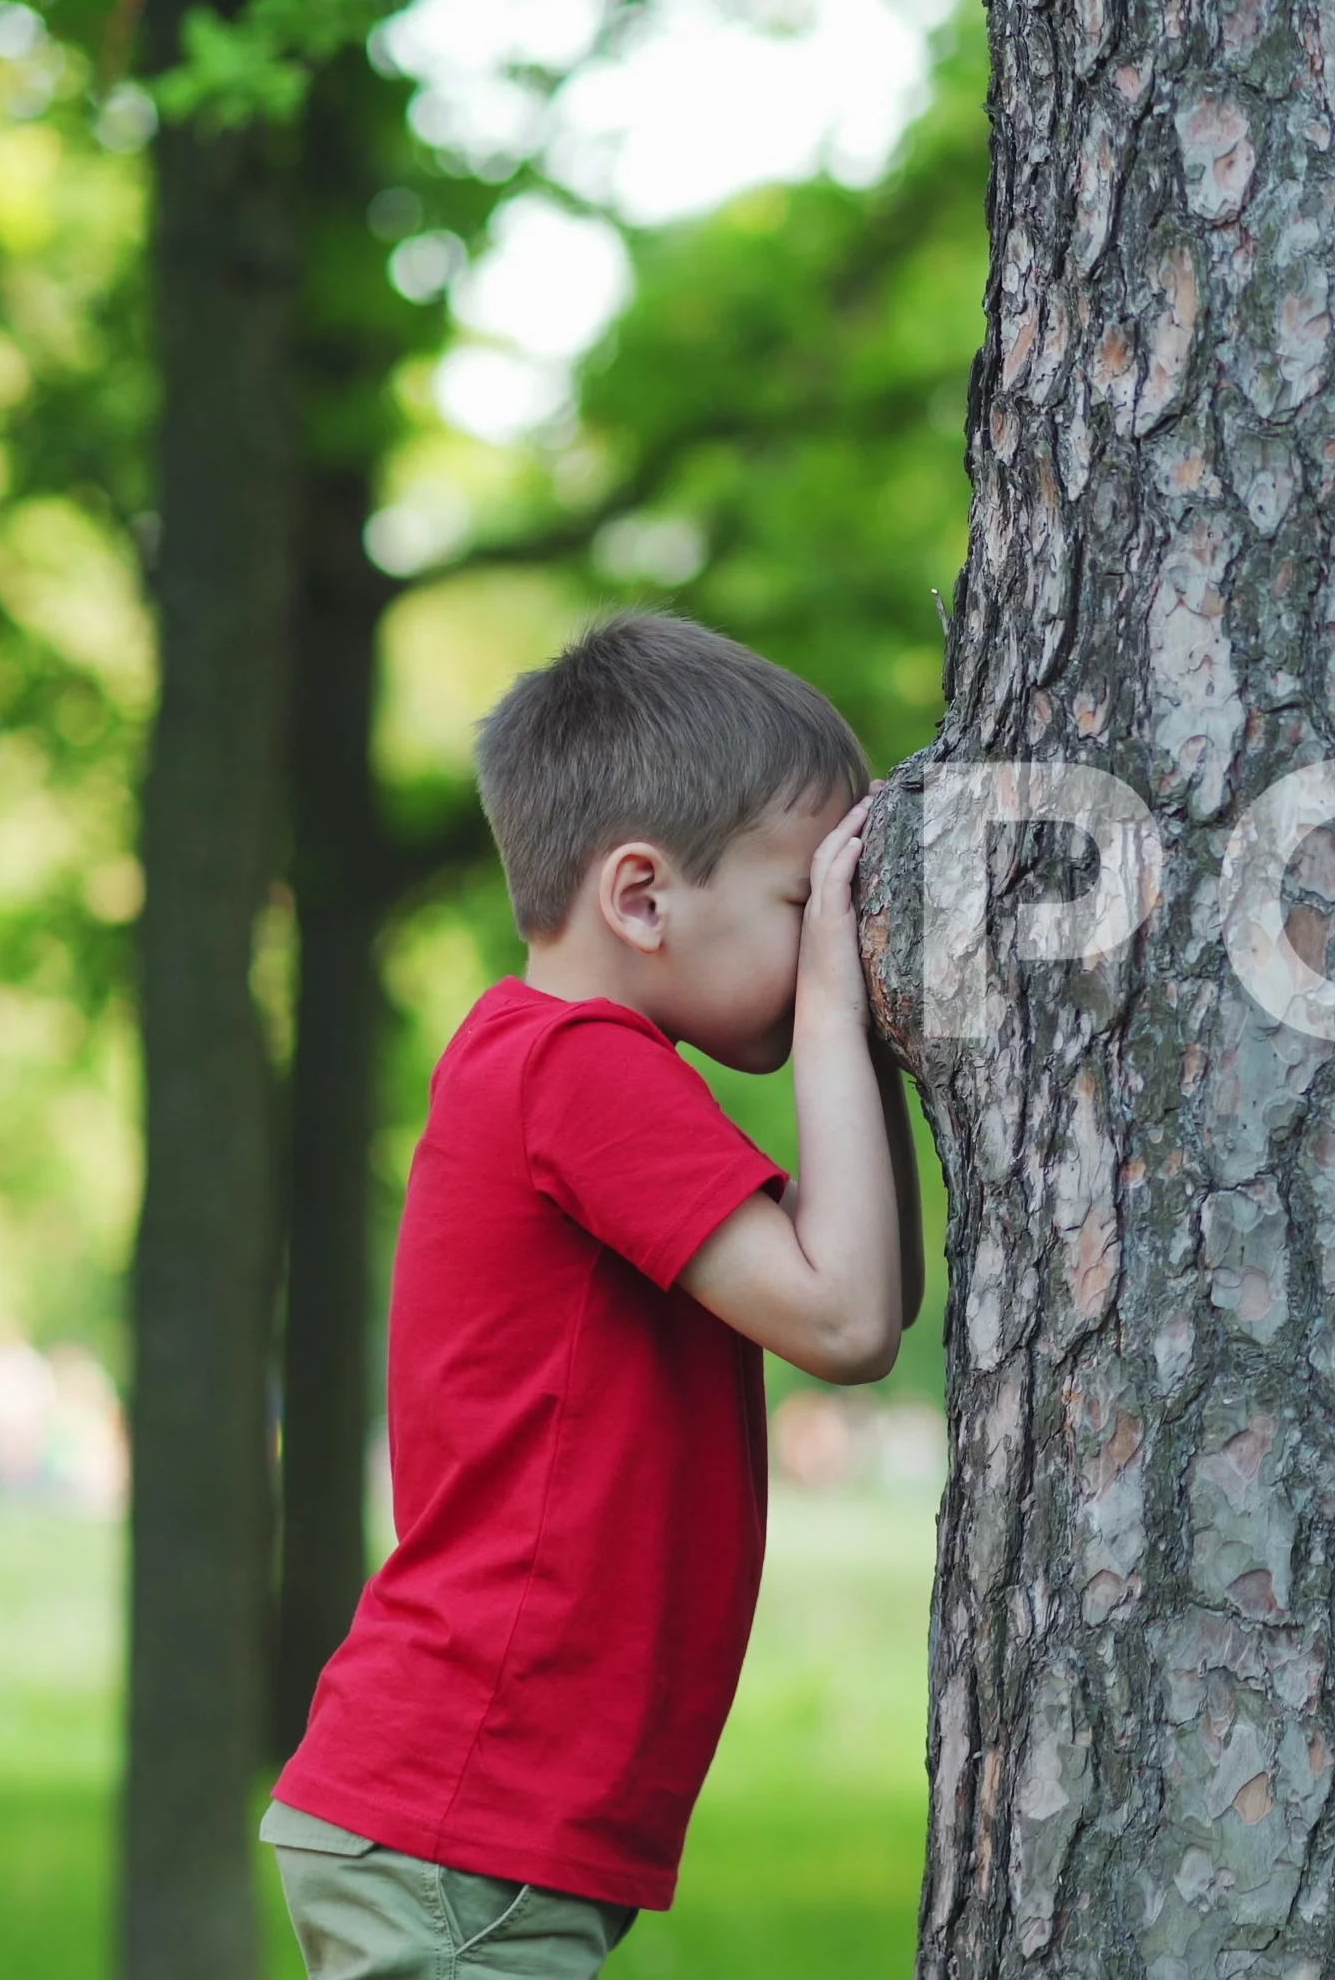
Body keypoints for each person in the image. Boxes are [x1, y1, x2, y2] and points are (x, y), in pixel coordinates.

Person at [260, 612, 924, 1977]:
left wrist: (862, 1021)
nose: (833, 952)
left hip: (465, 1818)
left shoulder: (568, 1074)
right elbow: (846, 1320)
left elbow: (869, 1280)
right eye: (807, 908)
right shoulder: (578, 1069)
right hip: (461, 1817)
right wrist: (832, 1021)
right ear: (642, 897)